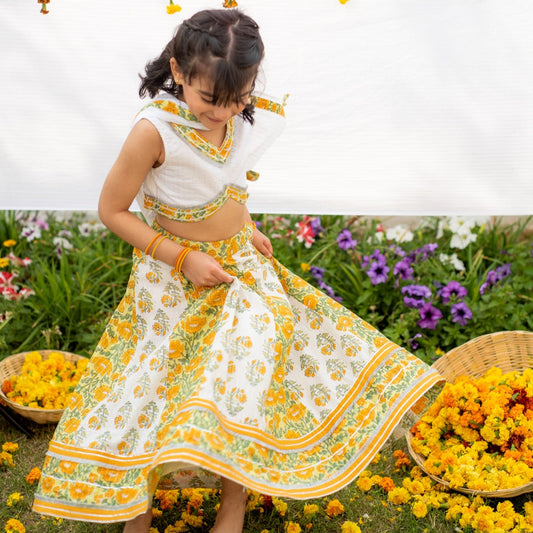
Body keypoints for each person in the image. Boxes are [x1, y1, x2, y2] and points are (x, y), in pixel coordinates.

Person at [33, 8, 442, 533]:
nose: (223, 113)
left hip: (238, 271)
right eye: (210, 100)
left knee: (248, 374)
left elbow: (224, 182)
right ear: (179, 71)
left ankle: (234, 501)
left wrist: (244, 226)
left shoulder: (238, 118)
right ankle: (138, 510)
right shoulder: (152, 132)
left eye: (238, 99)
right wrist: (184, 257)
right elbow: (113, 211)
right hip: (174, 280)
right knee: (155, 389)